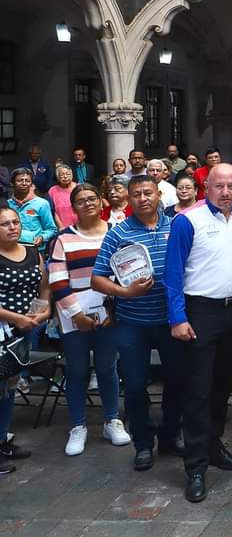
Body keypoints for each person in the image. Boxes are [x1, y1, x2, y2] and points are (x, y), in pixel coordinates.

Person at [165, 164, 232, 502]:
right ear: (206, 186)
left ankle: (213, 445)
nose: (226, 192)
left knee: (221, 386)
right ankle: (195, 467)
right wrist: (177, 317)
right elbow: (172, 273)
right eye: (219, 186)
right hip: (199, 312)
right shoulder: (187, 221)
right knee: (198, 391)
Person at [90, 175, 184, 472]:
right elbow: (97, 278)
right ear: (128, 199)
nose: (143, 198)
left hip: (171, 320)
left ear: (159, 195)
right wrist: (125, 292)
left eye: (148, 193)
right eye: (136, 194)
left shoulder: (177, 226)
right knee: (133, 385)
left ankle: (170, 435)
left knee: (177, 381)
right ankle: (143, 443)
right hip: (132, 322)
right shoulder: (118, 233)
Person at [49, 183, 130, 456]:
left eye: (92, 198)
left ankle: (111, 420)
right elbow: (58, 281)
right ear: (74, 207)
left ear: (101, 201)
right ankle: (78, 426)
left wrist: (112, 310)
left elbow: (123, 273)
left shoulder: (116, 233)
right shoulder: (63, 239)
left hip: (109, 317)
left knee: (107, 368)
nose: (88, 203)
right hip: (75, 319)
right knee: (78, 371)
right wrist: (77, 315)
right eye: (81, 200)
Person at [0, 205, 49, 473]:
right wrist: (15, 317)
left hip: (24, 330)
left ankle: (2, 440)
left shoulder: (32, 252)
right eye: (5, 224)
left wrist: (44, 310)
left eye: (15, 222)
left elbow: (43, 286)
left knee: (10, 385)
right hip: (3, 329)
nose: (12, 227)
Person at [8, 168, 57, 254]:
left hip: (35, 250)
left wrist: (42, 237)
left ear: (31, 184)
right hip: (11, 249)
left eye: (27, 181)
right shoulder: (7, 205)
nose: (24, 183)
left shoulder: (42, 204)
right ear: (12, 183)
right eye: (19, 180)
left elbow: (51, 229)